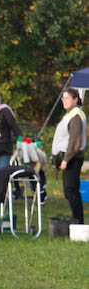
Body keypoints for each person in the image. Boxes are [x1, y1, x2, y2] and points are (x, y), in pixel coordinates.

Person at [51, 87, 86, 224]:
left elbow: (75, 140)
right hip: (68, 158)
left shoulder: (76, 115)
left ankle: (78, 222)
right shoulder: (70, 114)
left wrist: (66, 160)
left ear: (75, 99)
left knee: (72, 191)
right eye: (63, 98)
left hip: (72, 158)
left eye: (67, 98)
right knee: (68, 192)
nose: (64, 101)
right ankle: (76, 219)